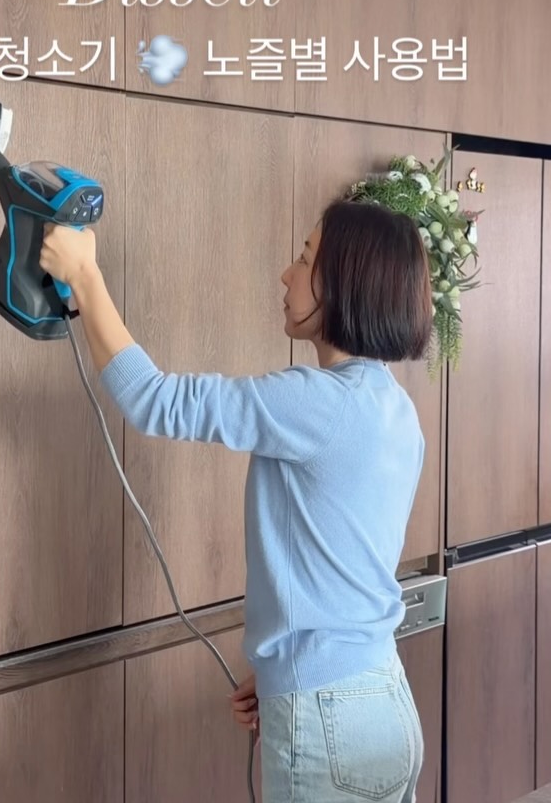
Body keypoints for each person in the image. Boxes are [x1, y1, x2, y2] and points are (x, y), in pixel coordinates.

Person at [40, 197, 430, 803]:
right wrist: (282, 672)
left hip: (329, 717)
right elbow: (340, 560)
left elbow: (155, 401)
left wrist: (85, 276)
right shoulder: (394, 407)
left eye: (305, 259)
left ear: (345, 283)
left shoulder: (317, 402)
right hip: (383, 699)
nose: (286, 274)